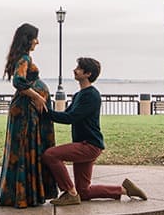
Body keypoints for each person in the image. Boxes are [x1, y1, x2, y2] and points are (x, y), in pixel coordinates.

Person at [43, 56, 148, 206]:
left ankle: (70, 193)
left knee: (50, 155)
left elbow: (71, 118)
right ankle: (125, 190)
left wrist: (45, 112)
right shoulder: (79, 95)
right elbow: (66, 115)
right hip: (84, 144)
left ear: (88, 74)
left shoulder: (92, 95)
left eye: (79, 68)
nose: (75, 70)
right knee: (84, 192)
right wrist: (48, 112)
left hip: (89, 146)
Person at [0, 22, 58, 207]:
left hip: (26, 109)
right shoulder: (24, 59)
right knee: (25, 149)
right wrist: (37, 96)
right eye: (35, 38)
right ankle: (24, 195)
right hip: (25, 111)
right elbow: (19, 81)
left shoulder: (23, 57)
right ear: (27, 39)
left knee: (26, 149)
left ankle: (25, 194)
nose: (37, 42)